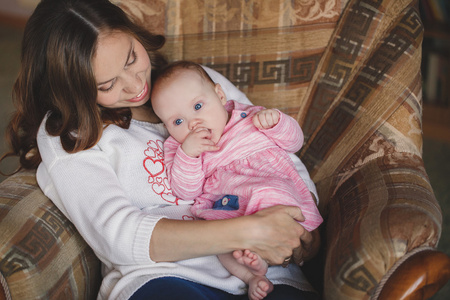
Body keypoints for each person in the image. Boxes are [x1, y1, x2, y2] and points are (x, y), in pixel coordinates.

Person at [1, 0, 321, 299]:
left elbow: (275, 152)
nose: (135, 83)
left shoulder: (192, 82)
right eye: (107, 85)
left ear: (133, 33)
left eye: (131, 59)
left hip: (272, 271)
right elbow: (117, 235)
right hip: (165, 277)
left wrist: (304, 226)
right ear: (71, 88)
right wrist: (249, 231)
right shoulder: (68, 135)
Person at [151, 61, 323, 300]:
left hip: (268, 186)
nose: (193, 123)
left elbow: (293, 143)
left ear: (220, 95)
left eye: (198, 106)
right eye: (177, 122)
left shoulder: (249, 116)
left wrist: (277, 122)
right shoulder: (180, 148)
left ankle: (263, 255)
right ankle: (252, 275)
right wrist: (188, 155)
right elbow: (185, 190)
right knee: (218, 241)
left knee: (272, 195)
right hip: (227, 203)